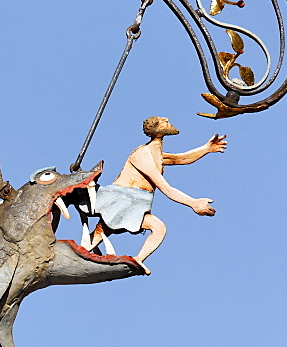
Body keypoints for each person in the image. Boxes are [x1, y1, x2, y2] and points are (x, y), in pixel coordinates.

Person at [88, 116, 226, 274]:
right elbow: (164, 186)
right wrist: (193, 203)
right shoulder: (142, 155)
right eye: (161, 120)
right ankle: (87, 252)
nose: (166, 119)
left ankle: (130, 258)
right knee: (144, 227)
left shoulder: (156, 153)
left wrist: (206, 148)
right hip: (124, 200)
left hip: (136, 202)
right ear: (157, 129)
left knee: (107, 229)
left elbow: (182, 158)